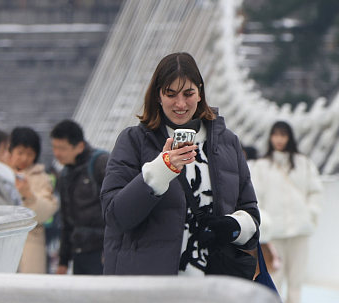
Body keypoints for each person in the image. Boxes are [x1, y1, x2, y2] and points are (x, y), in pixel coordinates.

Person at [100, 52, 258, 276]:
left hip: (212, 287)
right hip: (150, 290)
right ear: (158, 96)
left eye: (188, 93)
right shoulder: (133, 141)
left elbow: (251, 213)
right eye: (171, 94)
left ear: (200, 93)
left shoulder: (228, 142)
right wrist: (162, 169)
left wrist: (234, 226)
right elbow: (115, 216)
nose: (180, 103)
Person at [249, 121, 322, 303]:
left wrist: (311, 214)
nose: (279, 140)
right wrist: (265, 224)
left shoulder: (303, 163)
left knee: (296, 280)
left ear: (289, 137)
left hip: (300, 230)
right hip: (274, 233)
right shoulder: (261, 166)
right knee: (275, 278)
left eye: (283, 135)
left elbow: (315, 190)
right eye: (275, 135)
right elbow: (255, 197)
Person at [50, 119, 108, 275]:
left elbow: (117, 208)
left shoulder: (100, 163)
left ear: (80, 146)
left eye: (62, 148)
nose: (57, 153)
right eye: (54, 147)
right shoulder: (65, 174)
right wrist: (63, 261)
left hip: (102, 251)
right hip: (79, 251)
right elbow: (66, 221)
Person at [9, 126, 59, 274]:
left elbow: (46, 212)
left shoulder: (41, 178)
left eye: (30, 154)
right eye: (20, 152)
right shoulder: (1, 174)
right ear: (10, 150)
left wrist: (28, 196)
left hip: (31, 242)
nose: (24, 158)